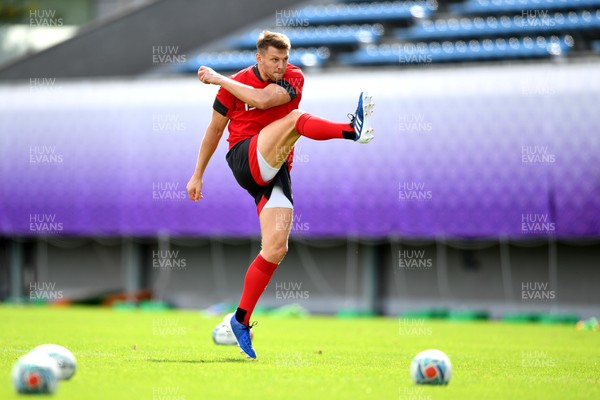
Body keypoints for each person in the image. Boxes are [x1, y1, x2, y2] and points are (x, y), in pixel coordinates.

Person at [186, 31, 374, 359]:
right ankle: (351, 130)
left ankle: (240, 320)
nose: (281, 65)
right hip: (245, 158)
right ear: (259, 58)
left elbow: (264, 100)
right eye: (274, 60)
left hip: (274, 169)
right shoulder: (237, 84)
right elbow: (214, 131)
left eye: (284, 59)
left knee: (275, 247)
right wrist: (197, 173)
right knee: (298, 119)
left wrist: (219, 79)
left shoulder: (292, 79)